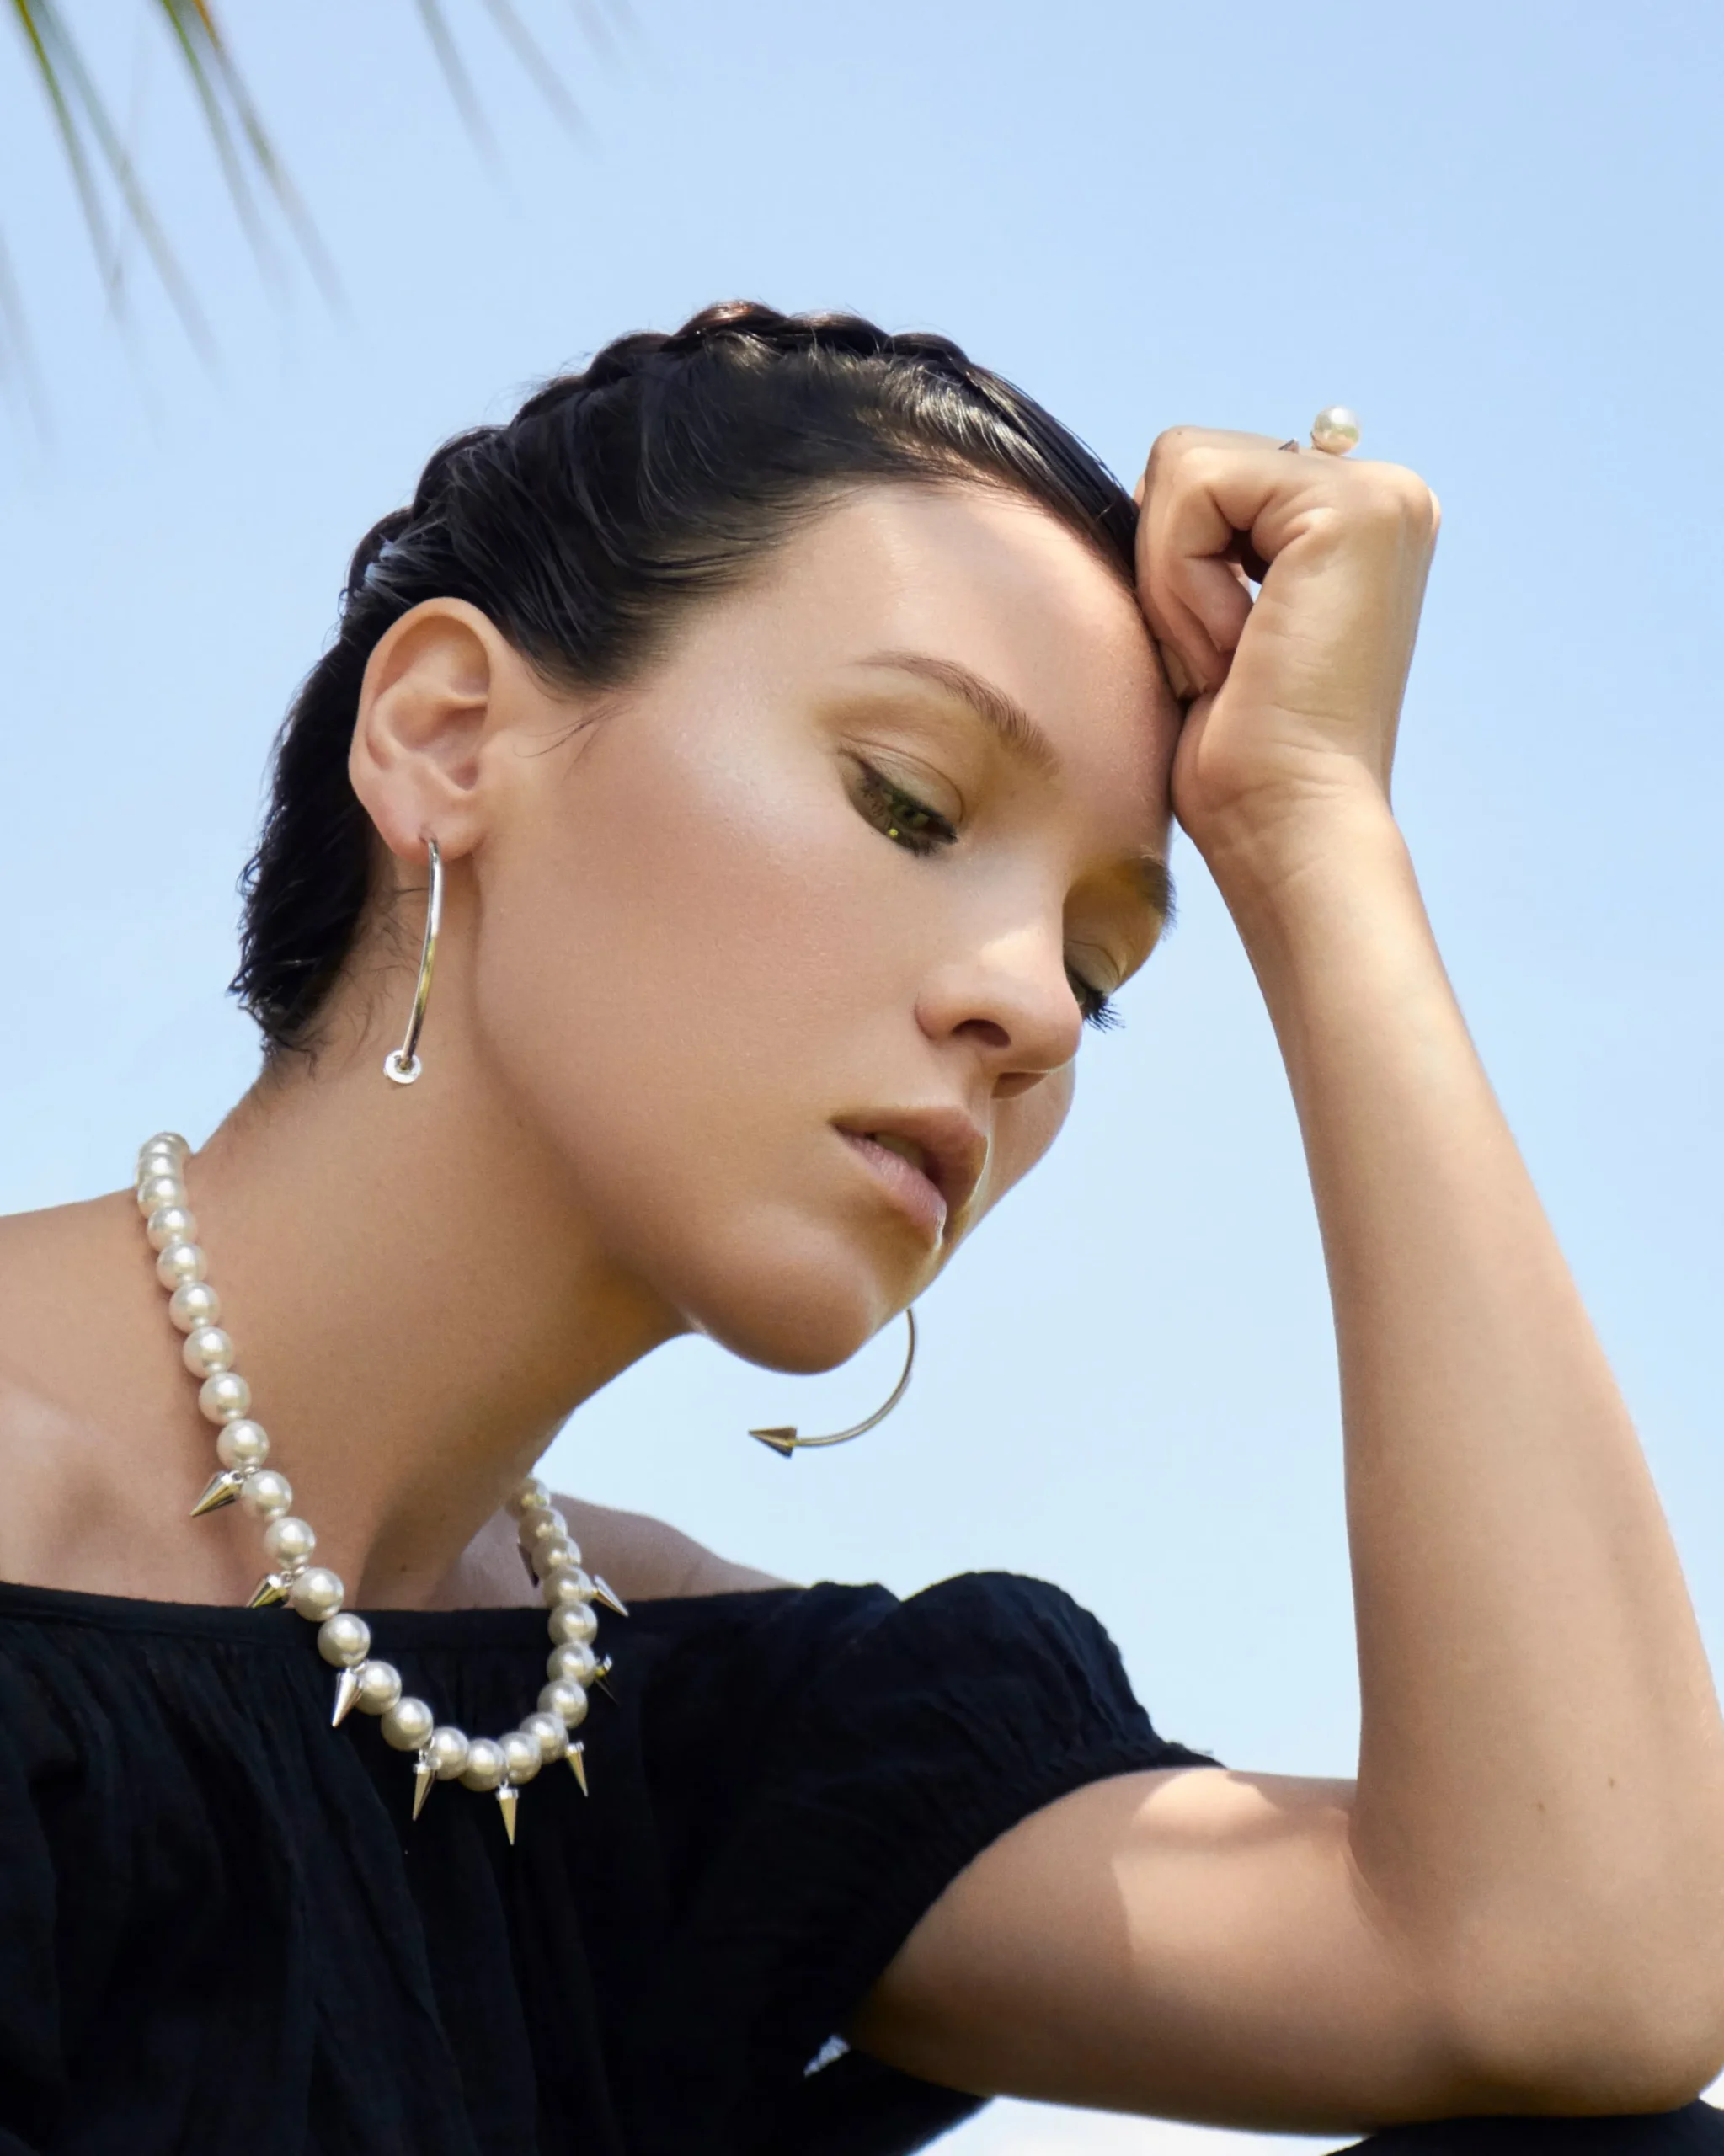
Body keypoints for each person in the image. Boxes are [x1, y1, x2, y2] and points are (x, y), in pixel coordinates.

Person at [0, 301, 1719, 2156]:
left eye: (1097, 970)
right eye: (909, 802)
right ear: (448, 734)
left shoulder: (677, 1715)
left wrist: (1316, 833)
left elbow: (1576, 1968)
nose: (1036, 1014)